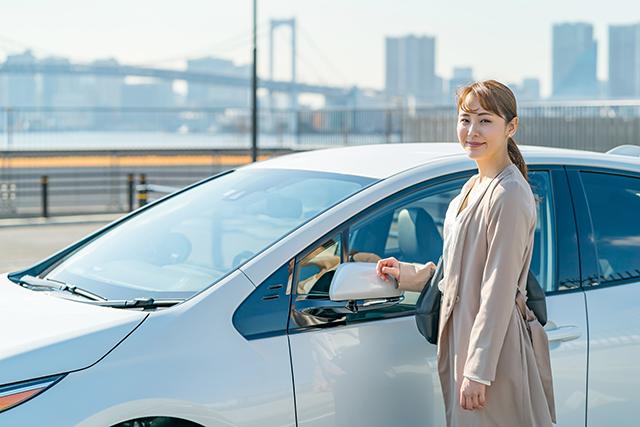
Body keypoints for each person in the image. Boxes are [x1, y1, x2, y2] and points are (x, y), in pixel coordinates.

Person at [376, 80, 555, 426]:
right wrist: (408, 274)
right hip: (467, 344)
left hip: (494, 356)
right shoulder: (471, 187)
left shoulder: (509, 193)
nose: (472, 131)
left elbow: (498, 289)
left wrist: (478, 370)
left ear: (511, 127)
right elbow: (459, 270)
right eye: (465, 119)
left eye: (485, 120)